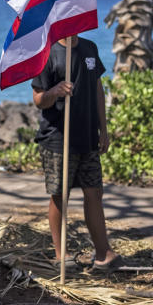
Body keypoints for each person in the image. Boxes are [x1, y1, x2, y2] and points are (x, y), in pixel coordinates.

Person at [31, 34, 121, 271]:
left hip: (88, 137)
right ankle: (62, 255)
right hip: (58, 139)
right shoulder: (47, 51)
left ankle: (103, 253)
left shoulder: (90, 47)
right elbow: (39, 99)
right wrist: (55, 91)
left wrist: (103, 129)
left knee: (94, 193)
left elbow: (98, 89)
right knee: (60, 196)